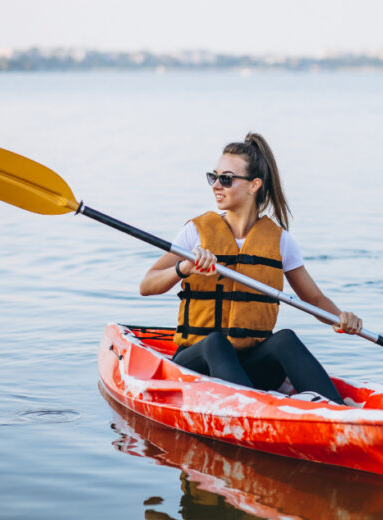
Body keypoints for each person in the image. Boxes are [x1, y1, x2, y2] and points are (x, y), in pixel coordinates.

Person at [139, 132, 361, 404]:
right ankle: (253, 409)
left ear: (254, 185)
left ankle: (339, 412)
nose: (216, 185)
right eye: (214, 177)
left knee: (285, 340)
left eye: (226, 179)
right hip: (196, 364)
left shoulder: (280, 241)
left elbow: (313, 299)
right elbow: (146, 285)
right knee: (216, 342)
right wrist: (184, 268)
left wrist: (341, 319)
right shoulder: (194, 233)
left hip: (250, 367)